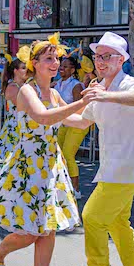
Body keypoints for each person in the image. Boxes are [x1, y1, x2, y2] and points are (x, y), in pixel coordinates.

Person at [0, 34, 87, 266]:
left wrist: (100, 106)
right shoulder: (26, 91)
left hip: (50, 166)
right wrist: (82, 102)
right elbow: (44, 118)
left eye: (57, 58)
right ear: (34, 63)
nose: (55, 63)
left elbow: (77, 122)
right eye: (49, 58)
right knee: (31, 232)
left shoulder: (55, 93)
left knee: (49, 228)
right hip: (28, 167)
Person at [65, 32, 134, 266]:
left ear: (121, 60)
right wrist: (51, 111)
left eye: (107, 56)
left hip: (127, 165)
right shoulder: (99, 87)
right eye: (98, 56)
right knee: (118, 222)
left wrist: (105, 96)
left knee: (92, 217)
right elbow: (82, 121)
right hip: (114, 165)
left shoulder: (128, 84)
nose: (101, 61)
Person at [0, 51, 29, 162]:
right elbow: (23, 107)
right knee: (14, 160)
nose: (27, 71)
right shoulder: (13, 87)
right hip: (15, 126)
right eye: (23, 68)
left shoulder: (24, 85)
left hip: (23, 125)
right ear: (15, 71)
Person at [57, 54, 90, 196]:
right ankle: (63, 186)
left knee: (68, 154)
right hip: (64, 122)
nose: (61, 69)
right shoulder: (57, 83)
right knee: (58, 154)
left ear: (72, 70)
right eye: (60, 66)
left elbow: (79, 108)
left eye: (65, 67)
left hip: (77, 123)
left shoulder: (76, 85)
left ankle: (76, 189)